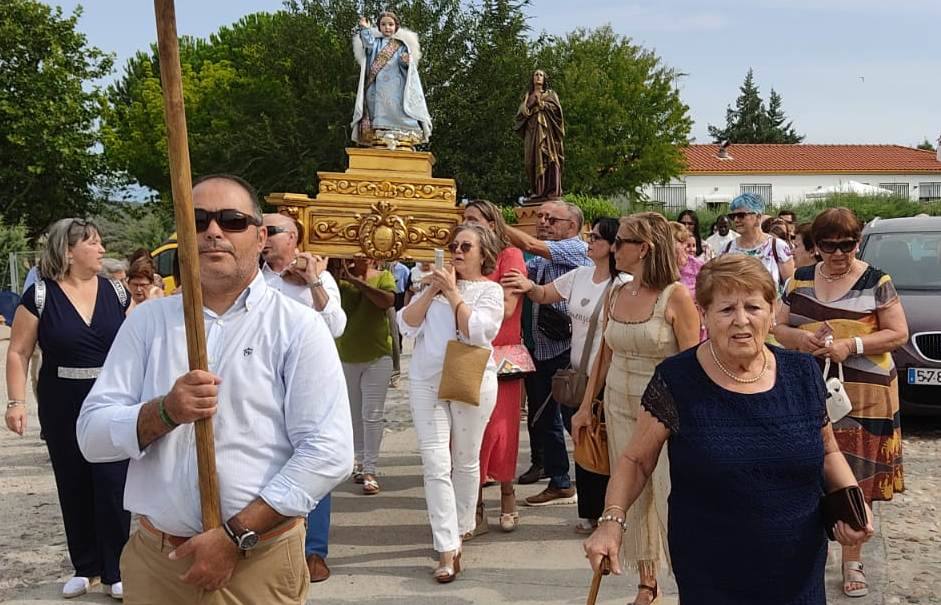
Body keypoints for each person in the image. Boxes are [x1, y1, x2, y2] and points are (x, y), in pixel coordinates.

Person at [76, 175, 353, 604]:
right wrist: (163, 412)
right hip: (159, 562)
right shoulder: (148, 323)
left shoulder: (297, 327)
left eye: (232, 220)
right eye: (198, 220)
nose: (213, 231)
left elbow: (329, 451)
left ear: (260, 237)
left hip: (257, 559)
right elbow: (91, 437)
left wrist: (234, 535)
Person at [585, 254, 875, 604]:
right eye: (726, 310)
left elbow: (828, 451)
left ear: (772, 311)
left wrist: (852, 501)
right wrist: (612, 521)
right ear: (704, 314)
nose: (741, 320)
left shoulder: (802, 372)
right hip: (711, 567)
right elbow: (636, 460)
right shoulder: (677, 379)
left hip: (798, 563)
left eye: (753, 307)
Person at [773, 207, 908, 598]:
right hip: (808, 389)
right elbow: (777, 326)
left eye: (847, 245)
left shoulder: (876, 280)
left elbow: (898, 333)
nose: (838, 253)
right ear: (816, 245)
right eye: (829, 245)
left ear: (857, 242)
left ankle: (853, 559)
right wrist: (802, 340)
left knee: (856, 476)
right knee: (807, 470)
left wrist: (853, 345)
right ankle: (808, 553)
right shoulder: (799, 279)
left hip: (865, 395)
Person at [574, 212, 700, 605]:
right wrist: (585, 406)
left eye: (620, 241)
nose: (612, 247)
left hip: (663, 411)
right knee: (632, 493)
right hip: (617, 402)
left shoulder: (676, 296)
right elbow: (604, 354)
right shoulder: (617, 292)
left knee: (668, 495)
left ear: (643, 248)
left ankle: (692, 584)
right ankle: (647, 583)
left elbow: (692, 363)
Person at [5, 218, 131, 600]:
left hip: (110, 398)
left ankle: (116, 569)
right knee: (73, 480)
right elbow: (18, 351)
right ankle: (86, 566)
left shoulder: (117, 292)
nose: (102, 249)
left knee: (113, 482)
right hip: (62, 399)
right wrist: (16, 403)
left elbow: (134, 346)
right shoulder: (40, 296)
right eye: (93, 243)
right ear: (69, 251)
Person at [397, 224, 504, 583]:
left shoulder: (490, 290)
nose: (457, 251)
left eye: (466, 246)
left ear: (483, 253)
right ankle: (446, 547)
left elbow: (478, 332)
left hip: (470, 377)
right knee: (435, 462)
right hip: (426, 381)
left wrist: (454, 293)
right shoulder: (429, 285)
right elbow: (406, 325)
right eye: (453, 245)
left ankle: (459, 529)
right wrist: (432, 290)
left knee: (465, 460)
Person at [503, 217, 622, 529]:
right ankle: (591, 513)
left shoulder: (622, 285)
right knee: (585, 446)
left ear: (613, 245)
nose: (589, 241)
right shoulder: (580, 275)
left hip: (608, 378)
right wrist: (527, 286)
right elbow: (545, 294)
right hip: (578, 374)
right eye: (590, 236)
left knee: (604, 446)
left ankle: (611, 512)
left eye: (596, 237)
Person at [261, 212, 347, 583]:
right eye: (259, 230)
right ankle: (271, 545)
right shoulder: (254, 278)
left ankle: (314, 550)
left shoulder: (319, 276)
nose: (263, 237)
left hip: (308, 384)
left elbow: (336, 326)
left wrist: (313, 281)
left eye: (271, 231)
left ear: (293, 237)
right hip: (263, 381)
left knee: (314, 459)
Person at [504, 200, 591, 500]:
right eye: (540, 217)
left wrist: (495, 222)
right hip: (538, 347)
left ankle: (590, 477)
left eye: (551, 219)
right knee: (544, 418)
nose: (542, 222)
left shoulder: (576, 249)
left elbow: (530, 245)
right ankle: (559, 480)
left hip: (565, 349)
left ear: (572, 225)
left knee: (571, 419)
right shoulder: (541, 258)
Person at [462, 200, 526, 536]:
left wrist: (466, 300)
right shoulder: (464, 255)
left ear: (491, 223)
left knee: (501, 429)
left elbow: (508, 306)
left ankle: (507, 493)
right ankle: (473, 504)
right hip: (468, 351)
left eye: (474, 219)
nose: (468, 224)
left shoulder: (509, 255)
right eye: (464, 219)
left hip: (501, 354)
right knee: (468, 430)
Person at [335, 256, 396, 495]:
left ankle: (370, 469)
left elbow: (387, 301)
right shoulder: (339, 279)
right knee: (354, 414)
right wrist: (344, 276)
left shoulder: (384, 276)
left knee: (372, 414)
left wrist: (357, 281)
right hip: (347, 354)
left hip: (378, 355)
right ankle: (359, 463)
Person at [351, 12, 431, 146]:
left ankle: (402, 130)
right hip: (377, 85)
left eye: (390, 24)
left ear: (396, 27)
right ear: (379, 27)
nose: (387, 27)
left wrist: (406, 61)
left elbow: (406, 65)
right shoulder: (375, 43)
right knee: (376, 108)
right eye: (383, 24)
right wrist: (365, 29)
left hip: (396, 85)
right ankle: (379, 131)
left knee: (399, 107)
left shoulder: (401, 45)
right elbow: (368, 45)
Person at [722, 193, 794, 293]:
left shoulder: (778, 247)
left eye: (741, 215)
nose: (736, 220)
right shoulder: (727, 249)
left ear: (758, 217)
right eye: (732, 216)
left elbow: (790, 288)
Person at [514, 69, 564, 200]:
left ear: (544, 79)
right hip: (532, 131)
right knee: (530, 161)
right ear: (532, 78)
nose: (538, 77)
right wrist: (530, 104)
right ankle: (536, 189)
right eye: (536, 75)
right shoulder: (527, 96)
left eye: (541, 75)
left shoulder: (550, 94)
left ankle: (549, 191)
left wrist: (542, 105)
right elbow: (520, 116)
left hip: (547, 133)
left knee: (548, 157)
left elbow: (558, 112)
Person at [670, 222, 704, 301]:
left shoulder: (697, 265)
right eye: (682, 242)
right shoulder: (657, 269)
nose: (686, 246)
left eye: (686, 241)